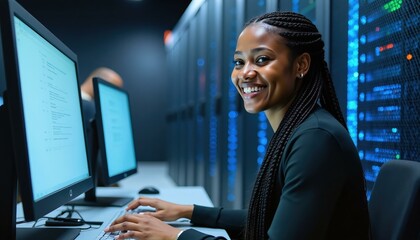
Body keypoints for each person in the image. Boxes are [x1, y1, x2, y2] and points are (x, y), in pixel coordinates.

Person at [104, 11, 370, 240]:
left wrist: (176, 235)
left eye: (262, 60)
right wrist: (188, 212)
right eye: (239, 62)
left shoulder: (316, 138)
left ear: (300, 65)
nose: (245, 73)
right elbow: (268, 219)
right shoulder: (300, 129)